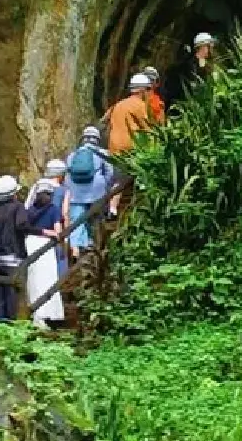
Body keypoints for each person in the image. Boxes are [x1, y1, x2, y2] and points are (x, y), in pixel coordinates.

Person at [22, 179, 66, 328]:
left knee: (34, 279)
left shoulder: (30, 210)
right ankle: (51, 313)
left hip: (30, 244)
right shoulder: (53, 209)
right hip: (45, 245)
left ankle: (36, 314)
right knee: (48, 278)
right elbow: (58, 230)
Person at [63, 127, 113, 257]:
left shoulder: (73, 155)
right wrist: (104, 185)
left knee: (77, 220)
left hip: (76, 194)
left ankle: (76, 249)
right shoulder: (102, 153)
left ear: (83, 139)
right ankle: (95, 246)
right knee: (96, 219)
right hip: (97, 192)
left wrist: (70, 190)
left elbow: (67, 174)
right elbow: (109, 172)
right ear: (97, 139)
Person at [0, 175, 26, 323]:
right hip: (13, 255)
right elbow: (22, 225)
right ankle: (13, 321)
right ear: (14, 193)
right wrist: (41, 231)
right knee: (13, 291)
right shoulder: (18, 207)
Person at [107, 73, 156, 155]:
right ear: (142, 90)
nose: (149, 92)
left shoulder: (118, 105)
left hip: (113, 151)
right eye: (148, 89)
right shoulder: (139, 105)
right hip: (129, 153)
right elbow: (148, 131)